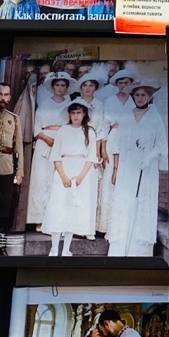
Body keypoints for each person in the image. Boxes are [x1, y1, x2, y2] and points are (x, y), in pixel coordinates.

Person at [107, 77, 167, 257]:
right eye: (137, 95)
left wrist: (149, 158)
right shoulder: (126, 116)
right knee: (125, 202)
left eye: (143, 95)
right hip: (127, 166)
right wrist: (116, 169)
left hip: (146, 167)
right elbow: (116, 144)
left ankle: (138, 249)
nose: (140, 98)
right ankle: (120, 247)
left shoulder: (155, 117)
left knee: (142, 202)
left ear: (149, 97)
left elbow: (161, 144)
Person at [41, 99, 99, 256]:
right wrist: (63, 176)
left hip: (81, 173)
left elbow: (91, 157)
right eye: (73, 113)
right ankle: (54, 249)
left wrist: (80, 177)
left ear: (84, 113)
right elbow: (56, 155)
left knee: (72, 211)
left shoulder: (89, 132)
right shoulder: (63, 131)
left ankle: (66, 249)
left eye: (79, 112)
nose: (75, 116)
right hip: (64, 171)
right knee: (58, 208)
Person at [0, 82, 25, 250]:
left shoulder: (14, 119)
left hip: (6, 166)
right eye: (0, 94)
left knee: (4, 206)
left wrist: (20, 171)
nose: (2, 98)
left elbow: (19, 148)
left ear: (10, 97)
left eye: (6, 95)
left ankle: (1, 245)